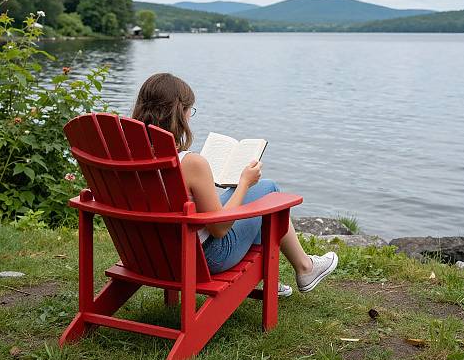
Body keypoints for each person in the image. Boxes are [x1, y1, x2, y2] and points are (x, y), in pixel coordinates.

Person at [132, 73, 338, 296]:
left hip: (147, 253)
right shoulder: (191, 163)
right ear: (178, 113)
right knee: (267, 190)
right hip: (204, 257)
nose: (190, 116)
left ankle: (269, 275)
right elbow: (219, 229)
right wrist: (244, 183)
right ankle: (305, 267)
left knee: (249, 194)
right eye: (189, 110)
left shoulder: (125, 155)